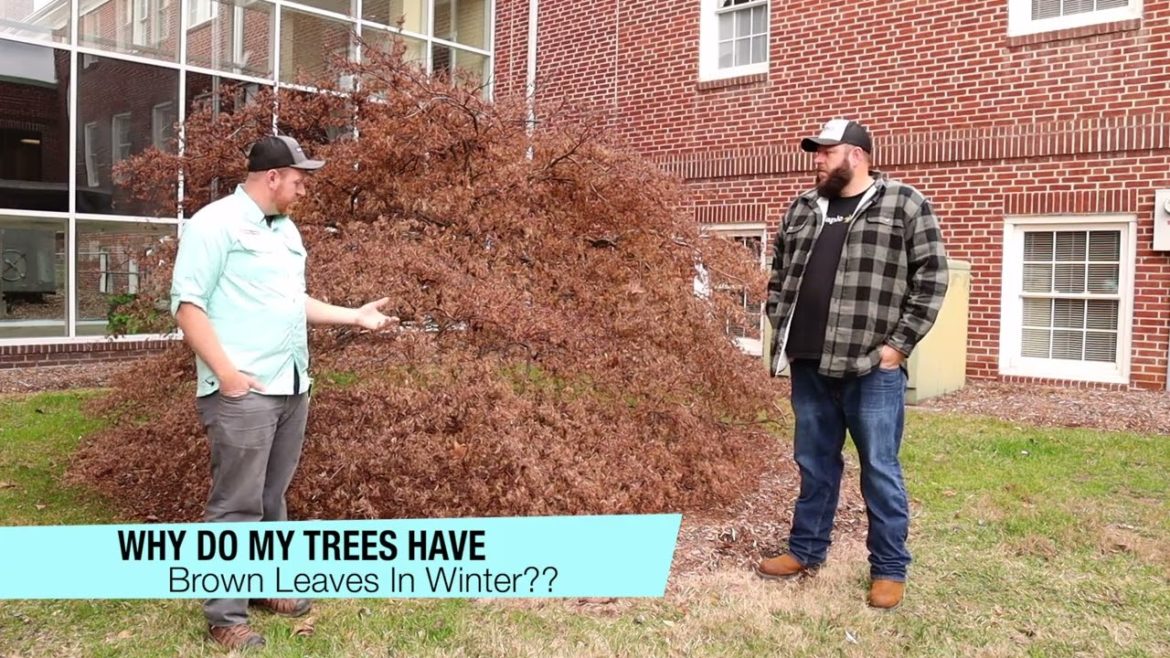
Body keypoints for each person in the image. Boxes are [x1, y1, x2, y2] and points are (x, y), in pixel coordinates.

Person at [170, 135, 396, 648]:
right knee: (235, 505)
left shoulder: (285, 230)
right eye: (298, 180)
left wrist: (355, 316)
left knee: (272, 499)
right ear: (272, 176)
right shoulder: (215, 224)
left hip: (291, 385)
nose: (301, 189)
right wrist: (228, 375)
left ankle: (267, 585)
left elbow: (294, 302)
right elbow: (187, 305)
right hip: (243, 390)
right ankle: (225, 619)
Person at [756, 119, 948, 610]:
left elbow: (931, 277)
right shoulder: (803, 207)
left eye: (826, 152)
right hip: (808, 363)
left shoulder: (903, 203)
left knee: (879, 468)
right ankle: (805, 551)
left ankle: (888, 568)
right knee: (814, 464)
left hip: (870, 367)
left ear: (857, 155)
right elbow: (778, 272)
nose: (816, 160)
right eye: (815, 153)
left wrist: (898, 348)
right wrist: (781, 320)